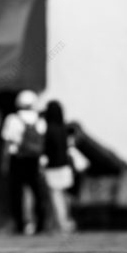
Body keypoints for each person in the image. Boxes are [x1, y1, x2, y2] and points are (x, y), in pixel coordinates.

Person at [1, 90, 48, 235]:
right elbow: (42, 143)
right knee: (37, 192)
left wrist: (4, 161)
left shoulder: (12, 119)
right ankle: (40, 224)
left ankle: (19, 224)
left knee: (16, 193)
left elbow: (7, 142)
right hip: (34, 160)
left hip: (17, 159)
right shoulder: (40, 120)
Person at [42, 100, 76, 234]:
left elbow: (47, 150)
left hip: (53, 167)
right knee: (64, 196)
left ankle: (62, 223)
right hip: (65, 166)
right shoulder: (64, 128)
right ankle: (65, 221)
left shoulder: (49, 129)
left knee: (55, 197)